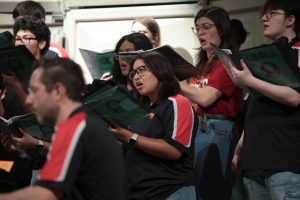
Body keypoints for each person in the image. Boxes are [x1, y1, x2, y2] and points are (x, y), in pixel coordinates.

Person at [0, 57, 127, 200]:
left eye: (34, 91)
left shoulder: (76, 127)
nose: (29, 100)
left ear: (57, 91)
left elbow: (46, 194)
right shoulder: (86, 123)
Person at [229, 0, 300, 199]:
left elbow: (294, 97)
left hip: (283, 158)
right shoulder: (262, 56)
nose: (264, 18)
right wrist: (241, 146)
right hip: (254, 160)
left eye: (272, 13)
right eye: (264, 14)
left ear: (290, 20)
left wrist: (250, 80)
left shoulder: (298, 52)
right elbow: (256, 103)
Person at [109, 51, 198, 200]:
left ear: (160, 70)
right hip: (137, 193)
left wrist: (131, 138)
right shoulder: (138, 109)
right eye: (133, 73)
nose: (136, 76)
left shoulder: (176, 102)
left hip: (170, 191)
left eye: (142, 70)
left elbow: (174, 149)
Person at [179, 6, 241, 200]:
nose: (201, 32)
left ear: (221, 29)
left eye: (206, 26)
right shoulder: (200, 67)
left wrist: (172, 82)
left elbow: (206, 98)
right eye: (197, 28)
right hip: (197, 127)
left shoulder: (227, 59)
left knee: (213, 188)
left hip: (218, 128)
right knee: (200, 188)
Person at [0, 15, 51, 192]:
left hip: (40, 161)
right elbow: (5, 111)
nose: (20, 43)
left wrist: (17, 87)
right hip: (11, 157)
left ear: (42, 43)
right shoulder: (9, 75)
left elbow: (39, 118)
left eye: (27, 38)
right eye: (17, 39)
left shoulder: (48, 74)